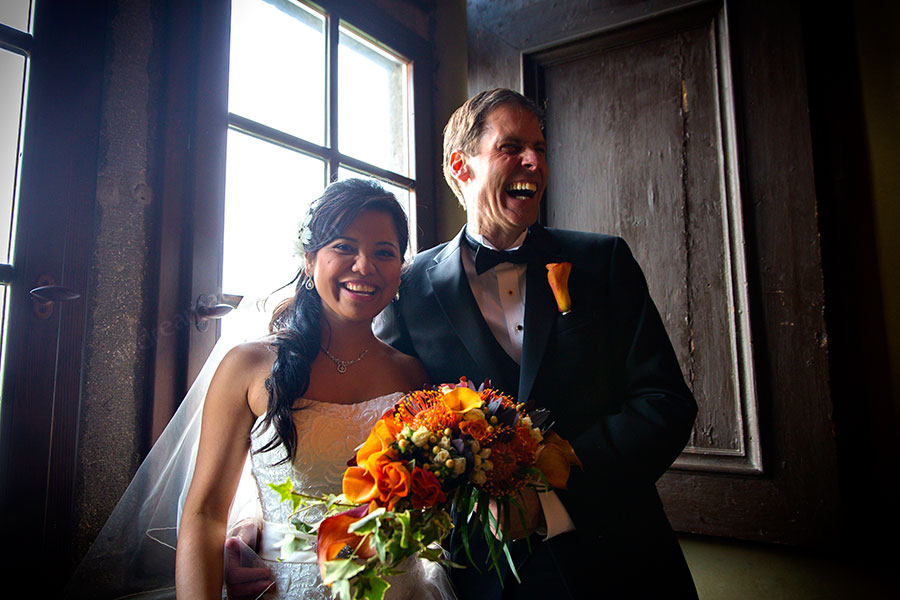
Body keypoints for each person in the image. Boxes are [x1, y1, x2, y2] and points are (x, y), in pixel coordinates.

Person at [374, 89, 699, 598]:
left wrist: (551, 487)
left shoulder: (604, 262)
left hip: (618, 556)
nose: (534, 161)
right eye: (512, 147)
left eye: (541, 149)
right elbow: (383, 415)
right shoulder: (408, 288)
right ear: (461, 166)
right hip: (480, 575)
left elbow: (665, 403)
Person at [65, 179, 455, 599]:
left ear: (400, 267)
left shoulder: (412, 377)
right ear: (309, 259)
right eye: (344, 247)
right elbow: (205, 514)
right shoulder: (249, 367)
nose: (364, 266)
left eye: (384, 252)